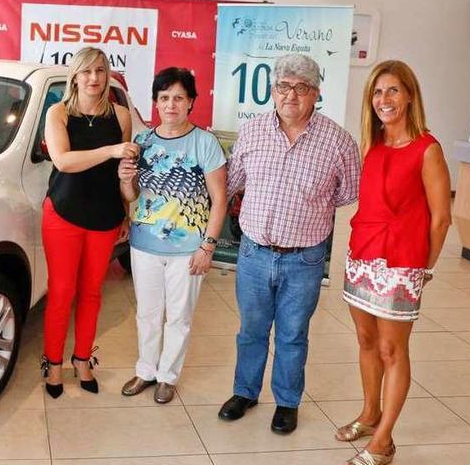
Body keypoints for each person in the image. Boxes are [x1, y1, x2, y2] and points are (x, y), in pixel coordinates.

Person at [218, 54, 361, 434]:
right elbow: (230, 183)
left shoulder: (339, 141)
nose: (291, 95)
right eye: (283, 86)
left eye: (301, 87)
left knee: (293, 334)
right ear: (272, 91)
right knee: (250, 329)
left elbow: (347, 194)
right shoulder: (252, 133)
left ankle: (286, 402)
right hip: (253, 254)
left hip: (305, 259)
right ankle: (244, 392)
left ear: (316, 93)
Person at [337, 60, 451, 465]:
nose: (384, 99)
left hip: (401, 262)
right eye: (378, 92)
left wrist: (425, 267)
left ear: (409, 96)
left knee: (391, 349)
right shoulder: (373, 143)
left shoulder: (427, 149)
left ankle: (383, 441)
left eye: (392, 91)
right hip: (363, 255)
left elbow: (441, 218)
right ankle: (370, 414)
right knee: (366, 341)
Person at [117, 67, 227, 404]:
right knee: (148, 313)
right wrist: (124, 178)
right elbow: (133, 196)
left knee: (178, 316)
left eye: (178, 97)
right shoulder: (142, 142)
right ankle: (146, 370)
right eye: (164, 98)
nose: (170, 104)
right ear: (155, 102)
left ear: (191, 101)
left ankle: (168, 376)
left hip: (188, 248)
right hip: (145, 244)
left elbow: (220, 198)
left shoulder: (204, 142)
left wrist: (207, 246)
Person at [41, 46, 137, 398]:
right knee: (62, 292)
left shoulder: (121, 117)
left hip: (105, 215)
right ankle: (52, 364)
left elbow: (121, 173)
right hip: (63, 213)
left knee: (92, 293)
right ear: (75, 76)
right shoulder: (58, 113)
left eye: (99, 70)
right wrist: (110, 151)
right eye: (86, 72)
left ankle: (82, 359)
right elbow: (63, 161)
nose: (94, 78)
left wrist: (125, 212)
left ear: (107, 74)